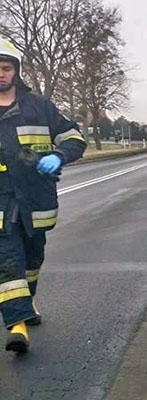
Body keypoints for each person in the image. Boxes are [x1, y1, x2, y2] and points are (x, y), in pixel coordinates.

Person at [0, 38, 86, 353]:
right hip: (1, 200)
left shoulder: (39, 106)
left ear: (16, 72)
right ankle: (17, 325)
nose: (0, 74)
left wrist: (59, 156)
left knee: (33, 257)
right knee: (7, 261)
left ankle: (28, 302)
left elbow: (74, 136)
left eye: (6, 68)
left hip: (36, 199)